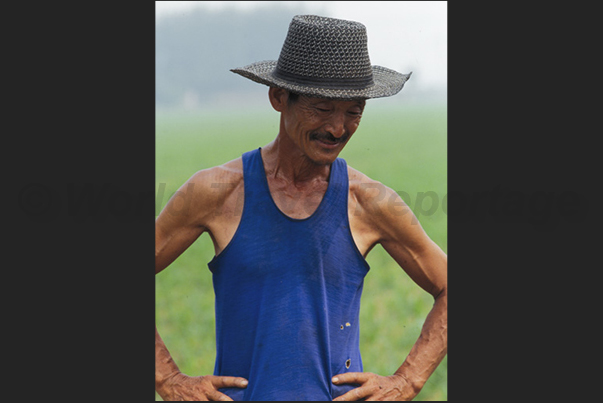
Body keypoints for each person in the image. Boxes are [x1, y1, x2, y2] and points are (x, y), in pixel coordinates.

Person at [155, 15, 447, 401]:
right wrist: (168, 379)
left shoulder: (370, 202)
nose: (339, 128)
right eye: (323, 109)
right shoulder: (216, 192)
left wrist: (407, 380)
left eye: (354, 111)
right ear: (278, 97)